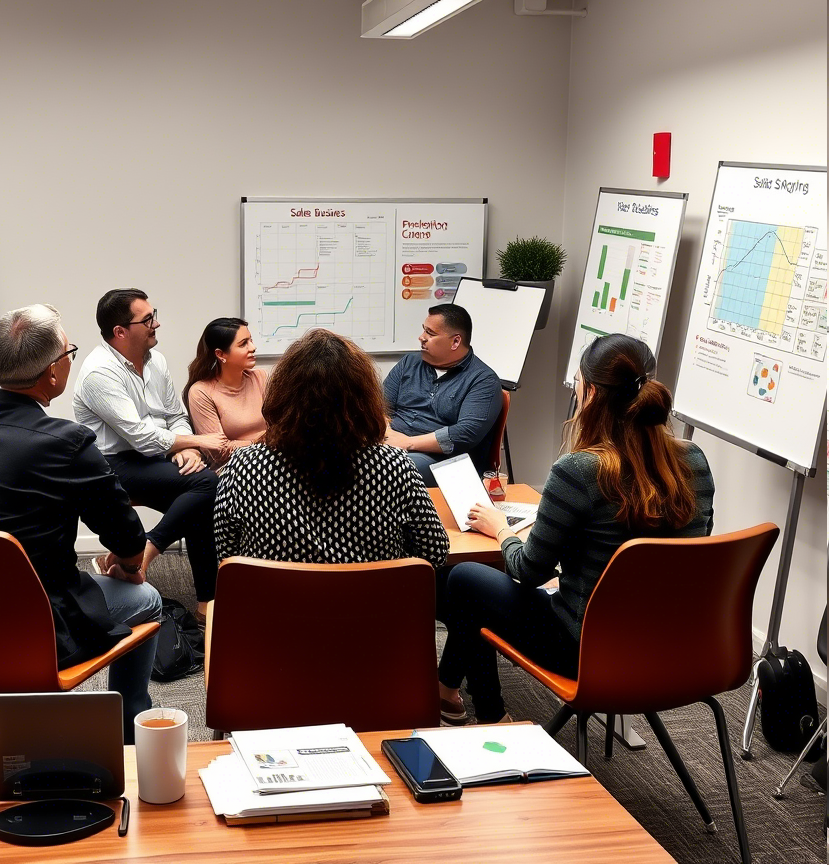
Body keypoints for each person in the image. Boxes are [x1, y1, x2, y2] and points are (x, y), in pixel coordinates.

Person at [0, 304, 161, 742]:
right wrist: (129, 564)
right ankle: (130, 735)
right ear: (51, 375)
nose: (70, 360)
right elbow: (127, 538)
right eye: (68, 353)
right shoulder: (67, 442)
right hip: (33, 630)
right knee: (147, 597)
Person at [437, 334, 715, 725]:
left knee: (463, 578)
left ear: (589, 394)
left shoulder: (579, 472)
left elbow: (528, 572)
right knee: (502, 585)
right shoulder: (694, 460)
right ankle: (447, 691)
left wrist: (502, 529)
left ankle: (488, 713)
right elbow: (691, 549)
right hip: (674, 647)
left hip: (588, 650)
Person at [214, 329, 449, 568]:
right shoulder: (395, 466)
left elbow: (227, 556)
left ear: (282, 396)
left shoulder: (245, 467)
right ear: (364, 400)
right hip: (371, 604)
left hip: (276, 604)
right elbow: (435, 552)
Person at [73, 289, 226, 626]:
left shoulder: (156, 361)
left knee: (202, 499)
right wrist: (199, 441)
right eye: (147, 320)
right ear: (120, 332)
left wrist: (187, 446)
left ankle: (203, 604)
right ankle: (147, 556)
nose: (156, 323)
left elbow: (176, 415)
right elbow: (141, 438)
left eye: (153, 314)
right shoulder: (99, 372)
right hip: (111, 464)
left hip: (151, 457)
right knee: (206, 486)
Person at [382, 303, 501, 486]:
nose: (421, 337)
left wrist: (407, 443)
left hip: (444, 462)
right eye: (424, 330)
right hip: (392, 445)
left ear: (455, 342)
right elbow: (378, 406)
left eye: (430, 333)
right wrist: (387, 435)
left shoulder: (483, 380)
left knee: (388, 467)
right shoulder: (409, 363)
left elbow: (464, 434)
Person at [184, 317, 267, 471]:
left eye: (251, 340)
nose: (253, 347)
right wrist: (264, 439)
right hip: (232, 471)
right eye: (243, 344)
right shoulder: (201, 392)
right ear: (220, 354)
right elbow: (219, 452)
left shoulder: (261, 377)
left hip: (267, 460)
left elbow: (282, 426)